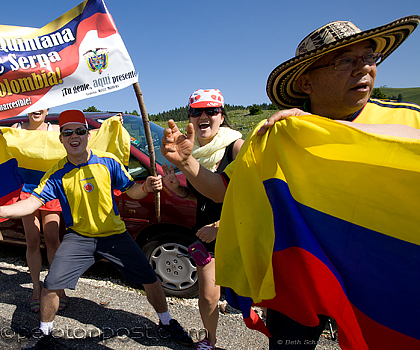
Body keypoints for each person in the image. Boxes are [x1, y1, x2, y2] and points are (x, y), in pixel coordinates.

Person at [162, 15, 420, 350]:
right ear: (306, 82)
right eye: (345, 60)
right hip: (299, 279)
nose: (364, 69)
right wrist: (186, 163)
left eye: (369, 57)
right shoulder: (275, 136)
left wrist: (330, 131)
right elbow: (225, 190)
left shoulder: (408, 122)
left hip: (380, 279)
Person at [0, 109, 194, 350]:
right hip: (79, 238)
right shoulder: (56, 173)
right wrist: (2, 211)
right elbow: (32, 203)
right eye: (67, 132)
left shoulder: (108, 162)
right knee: (51, 284)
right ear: (60, 139)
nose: (74, 136)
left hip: (115, 235)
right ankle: (44, 334)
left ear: (88, 136)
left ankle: (166, 322)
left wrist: (145, 187)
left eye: (80, 131)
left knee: (149, 277)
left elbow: (131, 190)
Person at [161, 89, 243, 350]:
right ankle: (210, 339)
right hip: (205, 235)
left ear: (222, 116)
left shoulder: (237, 147)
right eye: (197, 112)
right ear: (190, 117)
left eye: (212, 111)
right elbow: (204, 198)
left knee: (255, 299)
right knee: (208, 297)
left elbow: (252, 198)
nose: (204, 116)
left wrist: (221, 227)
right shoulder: (194, 152)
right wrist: (179, 190)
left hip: (240, 232)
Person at [11, 108, 66, 313]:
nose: (37, 110)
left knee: (53, 240)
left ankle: (56, 287)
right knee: (32, 241)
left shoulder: (55, 130)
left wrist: (109, 126)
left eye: (42, 105)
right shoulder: (16, 129)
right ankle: (36, 288)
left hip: (50, 190)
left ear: (48, 109)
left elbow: (81, 135)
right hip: (26, 192)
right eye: (33, 105)